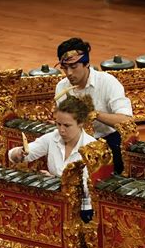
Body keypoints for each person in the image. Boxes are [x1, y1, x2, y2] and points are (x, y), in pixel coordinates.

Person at [9, 94, 96, 223]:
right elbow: (18, 154)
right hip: (55, 203)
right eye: (58, 124)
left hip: (82, 210)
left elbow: (88, 189)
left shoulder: (92, 148)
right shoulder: (52, 138)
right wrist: (19, 154)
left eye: (67, 126)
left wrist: (56, 180)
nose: (61, 130)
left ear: (80, 123)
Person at [54, 37, 133, 174]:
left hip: (107, 140)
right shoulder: (61, 87)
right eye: (65, 68)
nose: (69, 73)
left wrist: (94, 114)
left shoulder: (108, 82)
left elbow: (126, 120)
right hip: (75, 140)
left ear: (87, 64)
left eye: (73, 67)